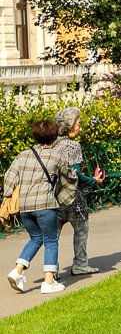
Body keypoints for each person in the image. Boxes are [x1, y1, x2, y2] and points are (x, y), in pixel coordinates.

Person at [4, 117, 72, 294]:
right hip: (45, 205)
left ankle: (18, 270)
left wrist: (8, 195)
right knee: (51, 240)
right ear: (54, 136)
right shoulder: (56, 156)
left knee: (36, 238)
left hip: (25, 208)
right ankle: (48, 282)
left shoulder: (23, 155)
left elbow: (9, 178)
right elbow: (69, 177)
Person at [54, 107, 105, 275]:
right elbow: (76, 176)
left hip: (54, 195)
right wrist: (94, 181)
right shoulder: (72, 146)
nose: (80, 127)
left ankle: (51, 270)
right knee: (82, 228)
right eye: (78, 123)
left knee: (53, 236)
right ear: (69, 125)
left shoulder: (52, 143)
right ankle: (80, 263)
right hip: (73, 197)